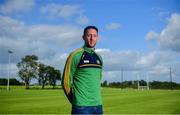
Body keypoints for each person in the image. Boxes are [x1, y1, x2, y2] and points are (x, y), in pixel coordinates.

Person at [62, 26, 103, 114]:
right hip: (81, 107)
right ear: (83, 37)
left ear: (98, 38)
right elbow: (66, 82)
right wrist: (76, 100)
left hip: (98, 106)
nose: (92, 38)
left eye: (94, 36)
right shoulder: (75, 55)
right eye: (89, 35)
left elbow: (98, 79)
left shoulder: (99, 58)